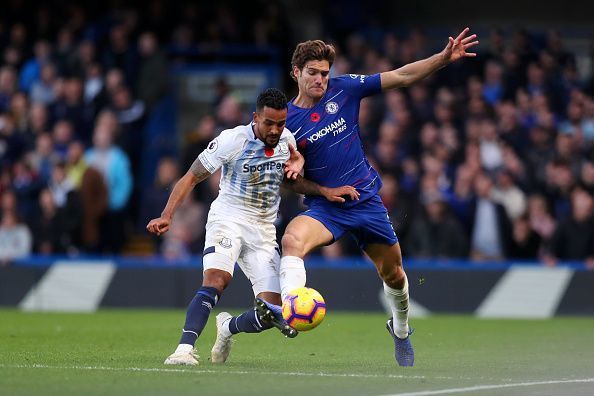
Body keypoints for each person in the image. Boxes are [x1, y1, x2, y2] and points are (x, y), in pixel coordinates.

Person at [280, 28, 479, 366]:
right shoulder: (285, 123)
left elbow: (402, 76)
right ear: (296, 72)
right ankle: (291, 307)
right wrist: (322, 190)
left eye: (324, 73)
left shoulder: (344, 89)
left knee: (395, 275)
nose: (320, 79)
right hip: (327, 207)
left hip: (366, 202)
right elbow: (290, 184)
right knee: (291, 240)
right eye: (312, 73)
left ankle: (400, 330)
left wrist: (442, 59)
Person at [146, 88, 358, 366]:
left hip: (263, 231)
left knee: (274, 312)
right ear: (255, 117)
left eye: (280, 123)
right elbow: (190, 177)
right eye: (268, 123)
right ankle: (184, 349)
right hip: (228, 219)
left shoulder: (287, 142)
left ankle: (227, 329)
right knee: (217, 280)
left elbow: (290, 181)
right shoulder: (232, 140)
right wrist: (167, 215)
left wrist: (324, 191)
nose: (275, 129)